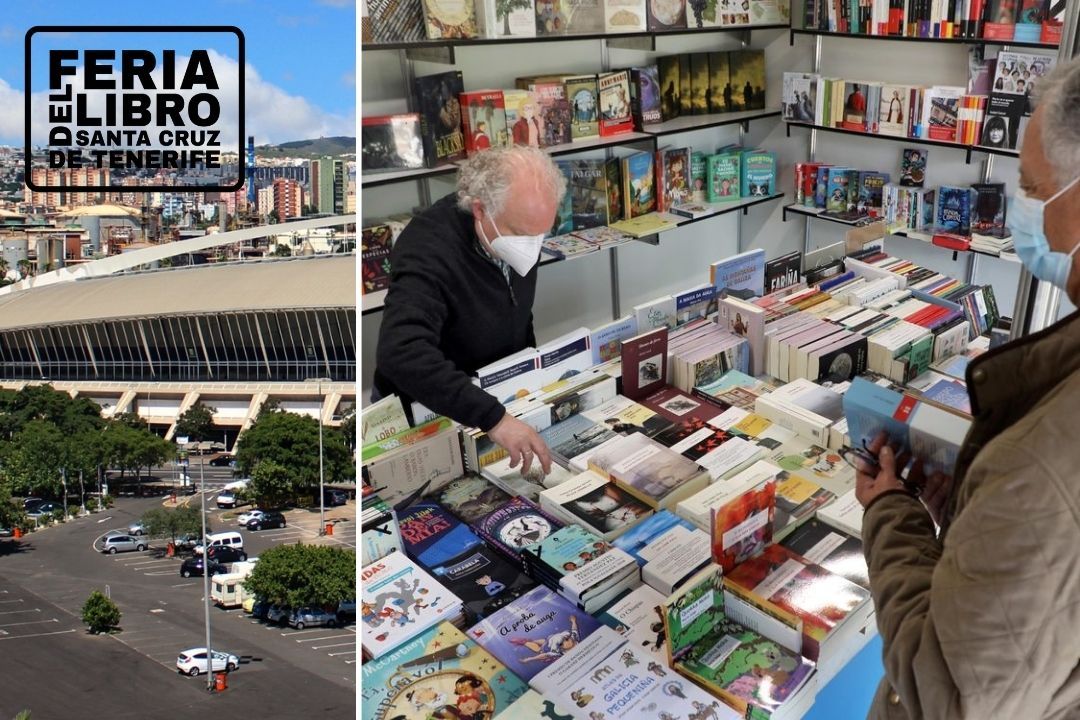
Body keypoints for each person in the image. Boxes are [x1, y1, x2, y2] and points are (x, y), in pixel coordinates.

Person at [853, 56, 1080, 720]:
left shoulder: (1042, 461)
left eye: (1033, 188)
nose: (1023, 211)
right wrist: (972, 502)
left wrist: (891, 514)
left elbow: (944, 695)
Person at [373, 145, 567, 476]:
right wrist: (493, 417)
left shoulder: (516, 223)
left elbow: (516, 310)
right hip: (433, 410)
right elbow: (400, 352)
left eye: (542, 232)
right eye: (521, 234)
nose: (532, 246)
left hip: (495, 397)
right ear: (480, 210)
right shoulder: (427, 247)